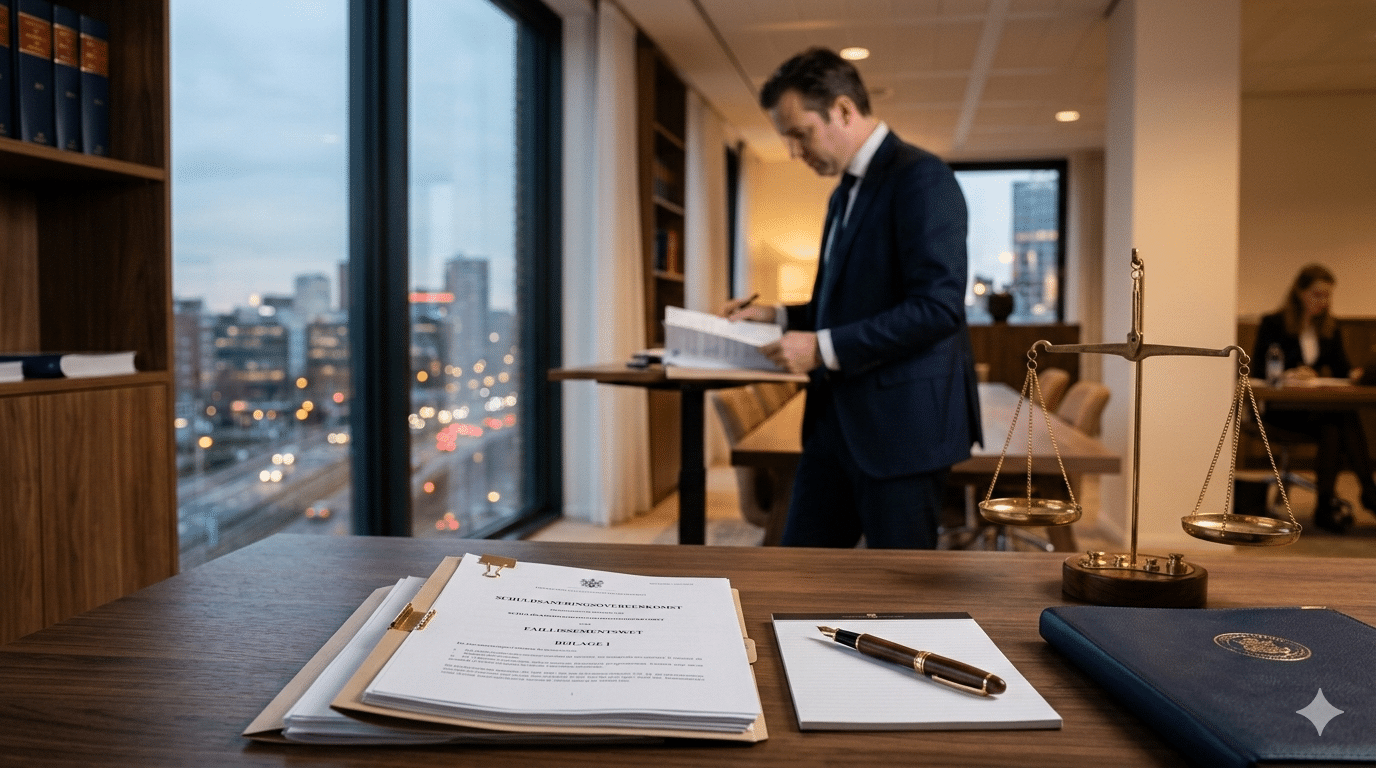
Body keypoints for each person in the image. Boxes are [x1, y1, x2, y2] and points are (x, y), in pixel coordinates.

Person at [721, 47, 981, 549]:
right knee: (800, 578)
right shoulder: (844, 192)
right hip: (833, 427)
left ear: (842, 110)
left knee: (898, 595)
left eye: (800, 134)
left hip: (901, 431)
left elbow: (938, 308)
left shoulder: (921, 178)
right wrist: (774, 313)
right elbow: (844, 306)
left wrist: (821, 348)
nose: (795, 152)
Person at [1251, 263, 1376, 532]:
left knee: (1336, 421)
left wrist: (1360, 373)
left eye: (1328, 296)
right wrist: (1287, 374)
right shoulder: (1273, 324)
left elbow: (1343, 369)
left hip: (1315, 411)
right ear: (1300, 292)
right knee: (1338, 420)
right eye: (1317, 295)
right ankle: (1366, 495)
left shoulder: (1330, 327)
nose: (1323, 302)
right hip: (1281, 410)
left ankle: (1327, 504)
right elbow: (1257, 369)